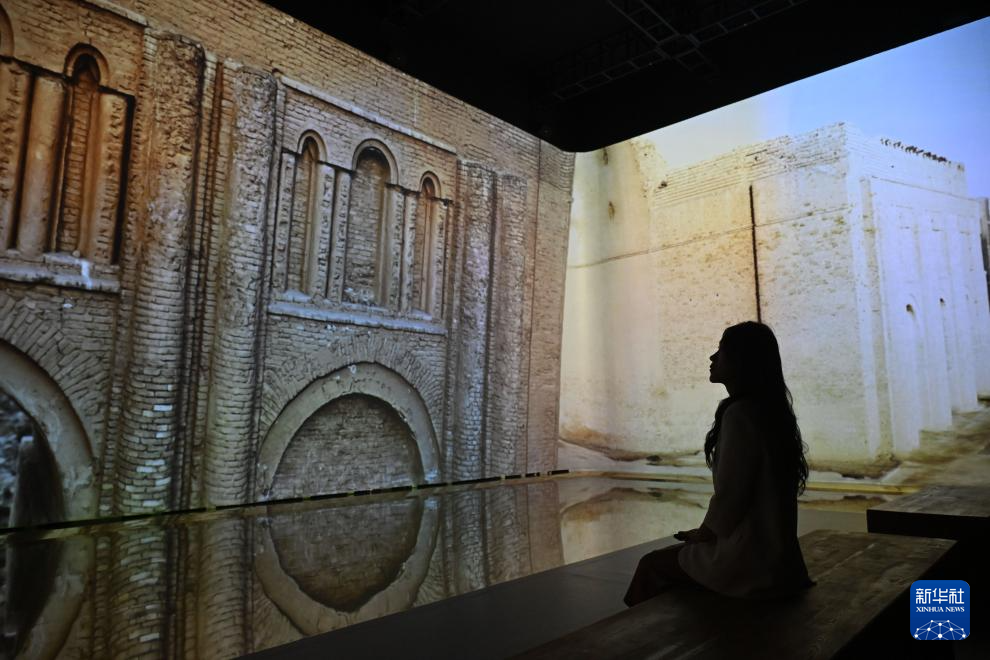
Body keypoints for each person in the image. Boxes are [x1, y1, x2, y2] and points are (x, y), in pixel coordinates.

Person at [624, 321, 815, 606]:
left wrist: (704, 533)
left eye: (721, 350)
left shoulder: (741, 415)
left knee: (650, 566)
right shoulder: (769, 411)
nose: (712, 357)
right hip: (781, 563)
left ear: (741, 361)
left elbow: (732, 496)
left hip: (749, 564)